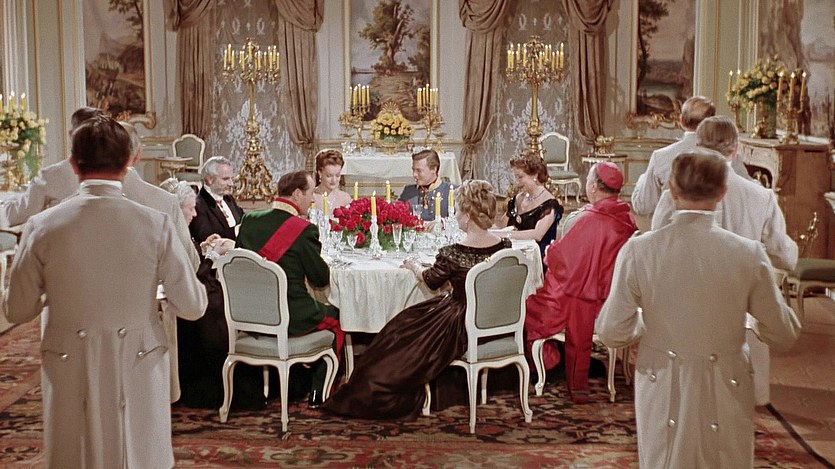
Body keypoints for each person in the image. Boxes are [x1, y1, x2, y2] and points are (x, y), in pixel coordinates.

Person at [3, 115, 207, 469]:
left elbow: (17, 310)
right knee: (139, 456)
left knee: (75, 456)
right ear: (130, 161)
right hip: (138, 359)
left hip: (69, 359)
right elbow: (193, 306)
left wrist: (52, 291)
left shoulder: (41, 226)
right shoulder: (155, 223)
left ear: (73, 164)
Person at [596, 150, 800, 468]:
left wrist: (646, 325)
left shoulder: (639, 250)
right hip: (726, 381)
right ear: (722, 193)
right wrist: (749, 323)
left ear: (672, 191)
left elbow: (611, 331)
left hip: (662, 380)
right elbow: (784, 333)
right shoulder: (748, 253)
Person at [324, 179, 512, 420]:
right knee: (404, 325)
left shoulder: (454, 252)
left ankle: (369, 385)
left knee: (400, 331)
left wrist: (413, 266)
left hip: (459, 321)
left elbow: (431, 281)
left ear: (467, 217)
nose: (455, 216)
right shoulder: (504, 246)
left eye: (457, 211)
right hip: (493, 317)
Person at [651, 115, 798, 406]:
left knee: (686, 394)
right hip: (739, 307)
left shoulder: (679, 192)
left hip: (686, 301)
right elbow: (784, 255)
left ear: (697, 145)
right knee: (736, 399)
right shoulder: (760, 196)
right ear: (736, 149)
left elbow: (658, 238)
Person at [524, 162, 637, 403]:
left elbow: (562, 260)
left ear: (594, 187)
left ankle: (551, 363)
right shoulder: (628, 218)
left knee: (527, 310)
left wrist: (551, 251)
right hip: (613, 300)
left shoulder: (590, 220)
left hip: (582, 301)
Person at [236, 170, 342, 408]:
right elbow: (320, 279)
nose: (313, 199)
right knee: (338, 319)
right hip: (290, 315)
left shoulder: (249, 221)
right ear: (296, 194)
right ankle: (319, 393)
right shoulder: (304, 229)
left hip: (250, 316)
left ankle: (275, 386)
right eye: (311, 193)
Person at [179, 156, 249, 408]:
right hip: (213, 274)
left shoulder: (229, 200)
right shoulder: (198, 205)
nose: (231, 183)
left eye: (231, 177)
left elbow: (241, 224)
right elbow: (208, 238)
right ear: (209, 180)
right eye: (225, 178)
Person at [1, 106, 103, 227]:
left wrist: (4, 204)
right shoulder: (120, 174)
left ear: (71, 134)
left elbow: (18, 214)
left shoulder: (51, 176)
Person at [631, 96, 715, 217]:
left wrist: (641, 180)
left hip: (670, 226)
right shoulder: (726, 157)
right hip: (713, 226)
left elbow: (643, 206)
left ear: (682, 121)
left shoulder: (661, 156)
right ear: (713, 123)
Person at [496, 151, 563, 260]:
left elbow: (537, 234)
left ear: (535, 175)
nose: (517, 182)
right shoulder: (518, 199)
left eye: (520, 177)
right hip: (514, 255)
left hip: (537, 260)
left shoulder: (550, 204)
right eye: (515, 177)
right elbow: (501, 227)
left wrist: (504, 234)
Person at [398, 149, 453, 221]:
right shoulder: (408, 191)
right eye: (413, 170)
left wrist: (443, 223)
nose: (414, 174)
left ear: (434, 169)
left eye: (419, 170)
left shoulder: (451, 192)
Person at [312, 149, 352, 216]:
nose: (334, 180)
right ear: (320, 173)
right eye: (329, 176)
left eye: (337, 175)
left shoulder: (345, 198)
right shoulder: (311, 197)